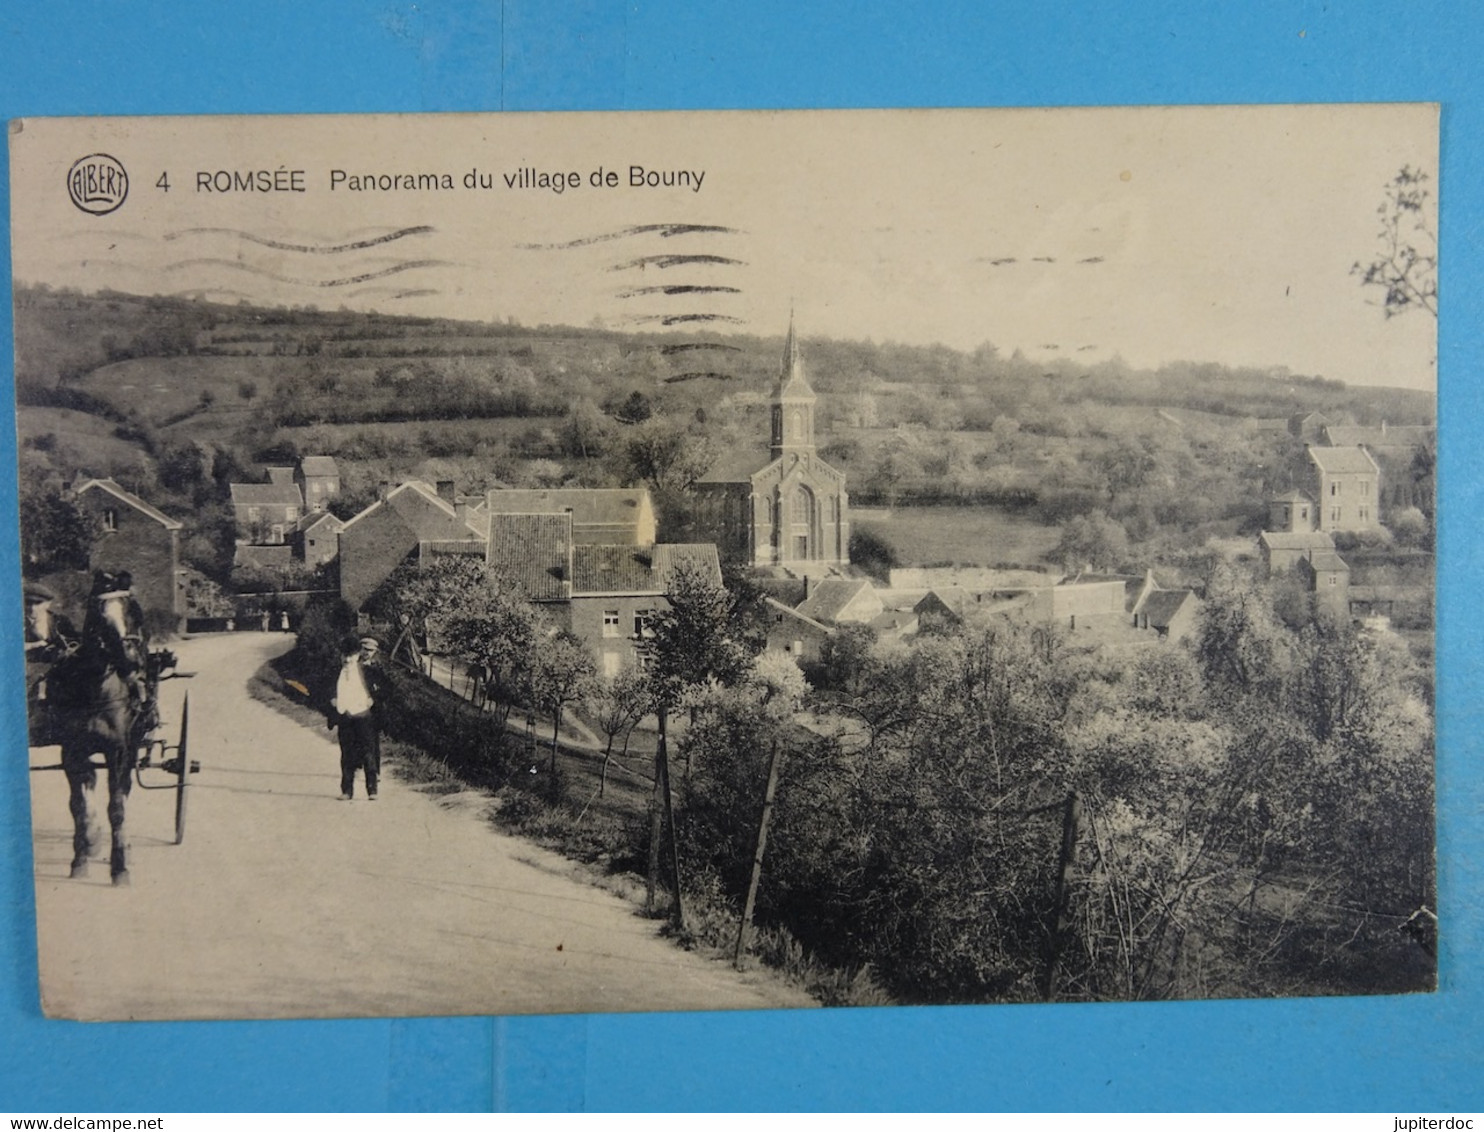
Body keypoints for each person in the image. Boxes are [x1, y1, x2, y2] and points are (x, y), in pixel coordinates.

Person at [326, 634, 390, 801]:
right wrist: (331, 700)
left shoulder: (368, 672)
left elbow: (385, 691)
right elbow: (324, 691)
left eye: (351, 656)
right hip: (345, 716)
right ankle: (347, 790)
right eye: (344, 656)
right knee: (346, 754)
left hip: (364, 717)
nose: (347, 660)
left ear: (357, 655)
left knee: (368, 753)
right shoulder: (335, 673)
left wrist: (373, 700)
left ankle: (372, 789)